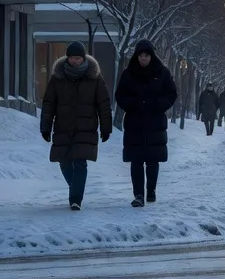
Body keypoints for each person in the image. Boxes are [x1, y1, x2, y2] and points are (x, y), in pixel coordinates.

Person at [40, 42, 112, 211]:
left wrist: (106, 127)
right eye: (72, 58)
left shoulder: (94, 77)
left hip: (86, 125)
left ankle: (75, 199)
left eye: (78, 58)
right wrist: (45, 127)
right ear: (68, 58)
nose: (75, 61)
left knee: (80, 162)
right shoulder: (58, 77)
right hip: (63, 126)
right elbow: (49, 103)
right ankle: (76, 187)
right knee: (63, 161)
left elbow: (103, 103)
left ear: (83, 58)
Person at [114, 40, 178, 207]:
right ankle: (138, 194)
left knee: (152, 159)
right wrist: (133, 104)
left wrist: (158, 105)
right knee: (136, 160)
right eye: (141, 55)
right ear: (137, 56)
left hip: (155, 123)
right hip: (134, 122)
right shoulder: (128, 74)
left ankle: (151, 190)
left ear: (151, 56)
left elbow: (171, 94)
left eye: (146, 55)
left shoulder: (162, 73)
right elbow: (120, 95)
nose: (143, 59)